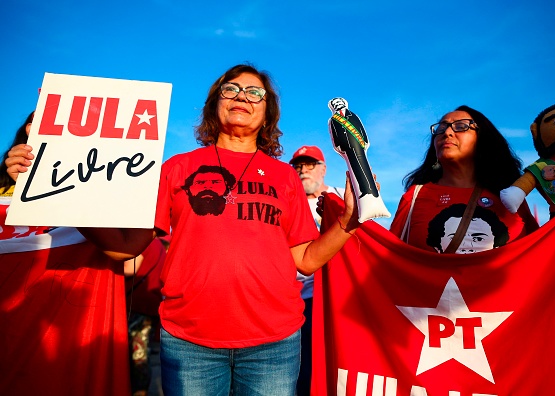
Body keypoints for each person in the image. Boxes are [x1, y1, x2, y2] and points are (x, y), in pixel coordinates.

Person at [7, 64, 361, 395]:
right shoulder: (175, 168)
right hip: (190, 343)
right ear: (213, 105)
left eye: (255, 93)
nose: (242, 96)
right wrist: (50, 184)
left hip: (275, 343)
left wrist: (348, 219)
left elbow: (306, 260)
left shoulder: (285, 177)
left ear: (268, 113)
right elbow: (124, 247)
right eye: (231, 89)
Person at [1, 112, 131, 395]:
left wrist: (56, 184)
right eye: (39, 119)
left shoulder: (101, 191)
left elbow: (130, 252)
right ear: (27, 129)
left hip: (75, 350)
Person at [389, 105, 539, 253]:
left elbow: (540, 251)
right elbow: (387, 257)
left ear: (482, 139)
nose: (447, 132)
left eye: (461, 126)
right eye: (441, 128)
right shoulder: (415, 196)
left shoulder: (508, 196)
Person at [288, 145, 344, 395]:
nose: (302, 171)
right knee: (296, 366)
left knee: (332, 360)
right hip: (293, 297)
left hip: (334, 298)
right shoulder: (287, 201)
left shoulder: (343, 197)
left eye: (309, 165)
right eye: (298, 166)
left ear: (323, 169)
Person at [124, 237, 167, 396]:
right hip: (148, 304)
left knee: (138, 354)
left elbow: (130, 268)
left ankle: (140, 392)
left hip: (139, 305)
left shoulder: (143, 241)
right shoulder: (157, 244)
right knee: (140, 352)